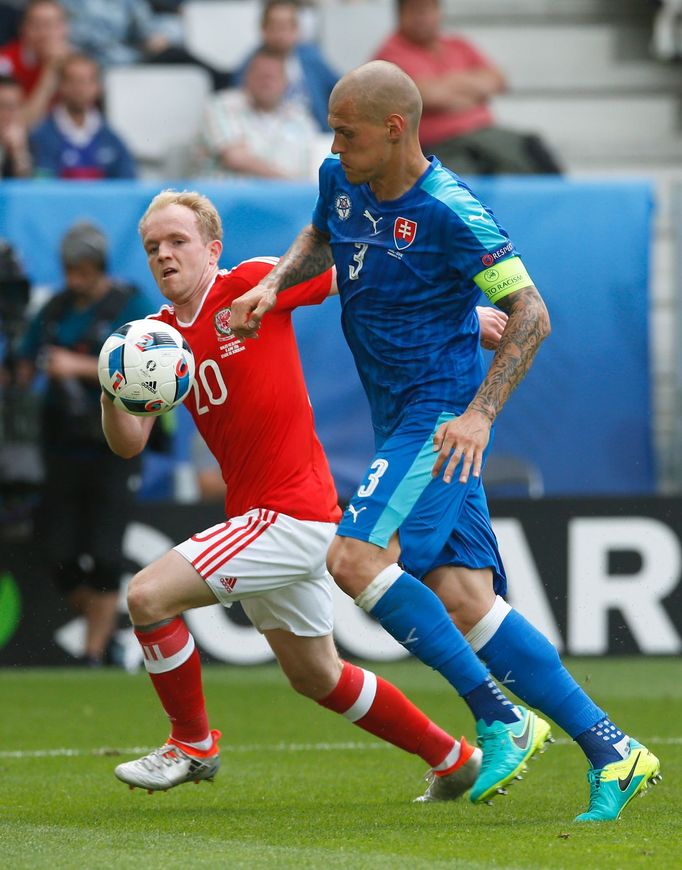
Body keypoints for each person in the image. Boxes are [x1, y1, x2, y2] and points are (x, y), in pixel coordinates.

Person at [228, 60, 662, 821]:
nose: (333, 144)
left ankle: (500, 719)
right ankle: (613, 750)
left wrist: (480, 415)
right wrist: (275, 283)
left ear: (396, 129)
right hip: (396, 411)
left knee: (353, 558)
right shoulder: (341, 175)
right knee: (464, 599)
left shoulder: (452, 211)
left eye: (347, 131)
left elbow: (532, 314)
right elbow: (324, 236)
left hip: (439, 415)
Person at [104, 188, 517, 801]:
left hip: (288, 514)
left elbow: (360, 279)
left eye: (177, 242)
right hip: (263, 518)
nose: (164, 256)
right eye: (152, 248)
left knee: (146, 596)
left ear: (212, 249)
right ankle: (453, 758)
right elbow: (128, 443)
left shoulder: (248, 285)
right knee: (317, 676)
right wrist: (113, 387)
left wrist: (460, 320)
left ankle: (191, 744)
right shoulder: (156, 341)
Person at [16, 221, 151, 666]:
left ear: (100, 268)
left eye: (85, 270)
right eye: (71, 270)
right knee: (57, 553)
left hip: (116, 446)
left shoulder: (129, 304)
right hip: (61, 446)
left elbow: (154, 360)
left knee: (107, 554)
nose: (76, 279)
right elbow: (23, 362)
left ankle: (93, 655)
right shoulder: (54, 309)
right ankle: (105, 630)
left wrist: (78, 366)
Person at [372, 0, 561, 176]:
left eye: (428, 10)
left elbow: (498, 79)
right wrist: (471, 89)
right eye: (415, 10)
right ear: (400, 14)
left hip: (484, 134)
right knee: (461, 183)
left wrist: (446, 85)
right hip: (436, 145)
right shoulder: (390, 52)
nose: (423, 17)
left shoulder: (458, 44)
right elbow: (427, 96)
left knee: (533, 153)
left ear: (438, 12)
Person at [197, 48, 318, 180]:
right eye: (261, 75)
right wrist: (288, 183)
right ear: (246, 79)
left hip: (283, 198)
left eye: (273, 77)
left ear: (286, 83)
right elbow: (234, 158)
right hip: (227, 196)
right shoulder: (222, 105)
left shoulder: (300, 118)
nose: (267, 81)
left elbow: (308, 167)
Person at [235, 0, 338, 132]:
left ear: (296, 29)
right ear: (263, 29)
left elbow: (340, 88)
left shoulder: (311, 57)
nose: (280, 34)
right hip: (269, 136)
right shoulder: (251, 65)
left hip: (317, 134)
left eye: (286, 26)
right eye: (274, 26)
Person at [30, 52, 136, 178]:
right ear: (60, 86)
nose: (80, 89)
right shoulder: (41, 137)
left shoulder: (112, 139)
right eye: (73, 81)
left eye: (87, 81)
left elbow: (128, 185)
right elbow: (41, 188)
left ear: (98, 88)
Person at [0, 0, 71, 129]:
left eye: (50, 25)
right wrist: (50, 73)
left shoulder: (76, 64)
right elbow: (16, 125)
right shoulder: (5, 63)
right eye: (36, 25)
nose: (44, 33)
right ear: (23, 29)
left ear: (65, 29)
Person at [0, 73, 32, 176]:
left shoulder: (32, 141)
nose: (8, 114)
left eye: (15, 107)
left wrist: (18, 153)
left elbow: (29, 188)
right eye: (3, 106)